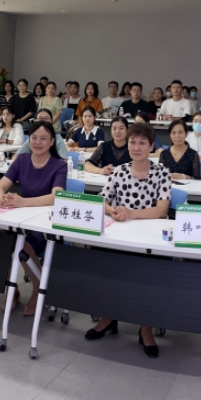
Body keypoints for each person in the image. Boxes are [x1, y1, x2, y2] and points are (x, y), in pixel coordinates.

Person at [85, 123, 171, 356]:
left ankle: (146, 328)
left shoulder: (161, 172)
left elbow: (162, 209)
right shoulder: (120, 171)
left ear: (151, 147)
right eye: (133, 142)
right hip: (121, 234)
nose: (136, 147)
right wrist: (112, 210)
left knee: (149, 275)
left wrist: (131, 213)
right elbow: (102, 201)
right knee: (107, 267)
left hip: (151, 238)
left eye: (142, 143)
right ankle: (108, 317)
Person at [0, 120, 67, 316]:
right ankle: (12, 289)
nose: (38, 142)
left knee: (23, 244)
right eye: (34, 138)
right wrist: (2, 197)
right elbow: (1, 186)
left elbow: (56, 196)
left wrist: (23, 202)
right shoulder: (22, 160)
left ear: (52, 142)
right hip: (20, 218)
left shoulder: (59, 165)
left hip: (45, 223)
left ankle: (38, 288)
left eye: (43, 138)